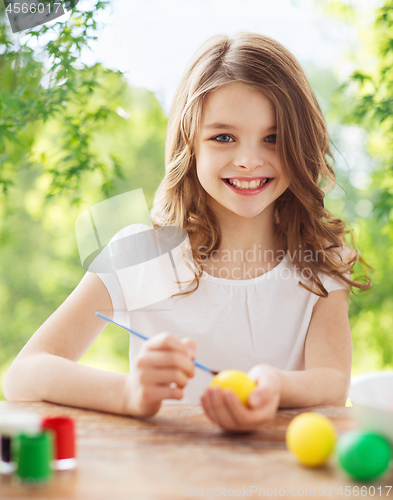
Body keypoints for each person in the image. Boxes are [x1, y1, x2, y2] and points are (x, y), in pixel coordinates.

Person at [4, 32, 371, 432]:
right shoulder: (141, 254)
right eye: (223, 137)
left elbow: (333, 383)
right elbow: (24, 374)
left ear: (301, 144)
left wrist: (275, 387)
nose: (248, 160)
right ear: (190, 144)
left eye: (273, 138)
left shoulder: (320, 261)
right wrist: (130, 394)